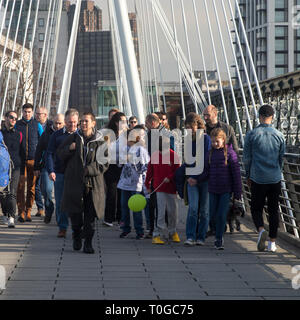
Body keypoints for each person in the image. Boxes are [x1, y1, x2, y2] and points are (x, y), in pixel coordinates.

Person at [57, 112, 108, 254]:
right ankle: (77, 236)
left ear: (93, 123)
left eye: (86, 121)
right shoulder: (73, 138)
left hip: (92, 183)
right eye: (82, 121)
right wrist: (69, 149)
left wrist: (88, 169)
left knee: (90, 215)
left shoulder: (101, 141)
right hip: (74, 182)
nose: (83, 124)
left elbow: (104, 163)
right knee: (75, 213)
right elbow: (60, 154)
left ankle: (89, 243)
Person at [243, 104, 285, 253]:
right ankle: (272, 243)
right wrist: (277, 171)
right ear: (272, 117)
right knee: (273, 211)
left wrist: (248, 175)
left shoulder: (252, 135)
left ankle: (261, 230)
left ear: (259, 117)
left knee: (256, 208)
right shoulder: (279, 135)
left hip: (257, 178)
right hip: (274, 178)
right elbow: (281, 158)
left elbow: (247, 158)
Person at [199, 128, 242, 250]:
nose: (214, 144)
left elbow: (236, 173)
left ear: (223, 140)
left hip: (225, 189)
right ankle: (216, 232)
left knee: (222, 214)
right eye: (213, 142)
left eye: (217, 141)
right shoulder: (210, 154)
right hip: (213, 189)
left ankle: (219, 238)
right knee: (212, 214)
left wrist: (238, 191)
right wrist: (196, 179)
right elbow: (206, 172)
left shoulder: (230, 153)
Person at [176, 113, 211, 246]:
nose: (190, 130)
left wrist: (196, 177)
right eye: (187, 128)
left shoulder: (206, 139)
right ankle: (190, 236)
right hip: (191, 179)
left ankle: (201, 237)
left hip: (204, 179)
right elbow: (189, 162)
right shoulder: (189, 140)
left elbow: (205, 161)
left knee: (204, 210)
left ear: (198, 125)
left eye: (191, 127)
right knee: (193, 208)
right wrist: (188, 176)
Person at [46, 108, 79, 238]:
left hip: (77, 173)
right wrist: (51, 170)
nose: (72, 125)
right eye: (70, 122)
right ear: (65, 121)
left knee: (76, 201)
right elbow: (49, 153)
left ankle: (77, 226)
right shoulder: (57, 135)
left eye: (75, 122)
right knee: (60, 202)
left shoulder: (81, 135)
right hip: (60, 172)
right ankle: (63, 227)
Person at [145, 135, 181, 245]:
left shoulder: (173, 155)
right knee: (160, 212)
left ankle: (172, 231)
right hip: (159, 188)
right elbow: (149, 171)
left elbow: (177, 171)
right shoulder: (155, 155)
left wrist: (169, 177)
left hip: (171, 188)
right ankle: (157, 234)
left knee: (172, 212)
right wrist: (147, 184)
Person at [118, 126, 150, 240]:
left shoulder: (141, 150)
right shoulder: (125, 148)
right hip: (124, 182)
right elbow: (119, 164)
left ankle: (139, 230)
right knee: (124, 206)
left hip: (136, 184)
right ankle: (125, 228)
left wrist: (133, 160)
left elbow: (144, 167)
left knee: (136, 208)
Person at [34, 114, 65, 224]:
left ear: (64, 123)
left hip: (62, 167)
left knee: (60, 194)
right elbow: (39, 150)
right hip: (47, 166)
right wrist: (36, 166)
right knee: (46, 190)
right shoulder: (47, 134)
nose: (57, 125)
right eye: (55, 123)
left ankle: (59, 217)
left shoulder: (68, 135)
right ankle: (49, 209)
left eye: (60, 123)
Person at [16, 103, 43, 223]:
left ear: (32, 113)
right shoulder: (17, 125)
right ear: (22, 112)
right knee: (20, 187)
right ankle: (21, 212)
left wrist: (41, 159)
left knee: (31, 188)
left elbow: (42, 142)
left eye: (29, 112)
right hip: (20, 161)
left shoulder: (37, 125)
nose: (27, 113)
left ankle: (28, 211)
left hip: (33, 160)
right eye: (25, 111)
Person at [103, 112, 128, 227]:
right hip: (111, 166)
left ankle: (121, 218)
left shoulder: (128, 135)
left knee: (121, 193)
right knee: (112, 192)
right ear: (116, 123)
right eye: (122, 121)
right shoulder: (109, 134)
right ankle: (108, 218)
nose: (124, 124)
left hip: (124, 167)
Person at [0, 111, 22, 228]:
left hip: (15, 167)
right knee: (2, 194)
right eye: (11, 117)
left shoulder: (19, 134)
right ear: (6, 118)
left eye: (15, 118)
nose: (14, 120)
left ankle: (12, 218)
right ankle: (5, 213)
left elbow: (22, 151)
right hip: (2, 167)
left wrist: (22, 169)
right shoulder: (0, 134)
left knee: (12, 192)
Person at [34, 106, 53, 217]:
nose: (37, 115)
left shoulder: (52, 126)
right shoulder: (32, 125)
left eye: (39, 114)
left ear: (45, 115)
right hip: (37, 159)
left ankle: (49, 208)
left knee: (46, 189)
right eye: (36, 113)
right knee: (37, 186)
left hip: (48, 160)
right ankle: (40, 207)